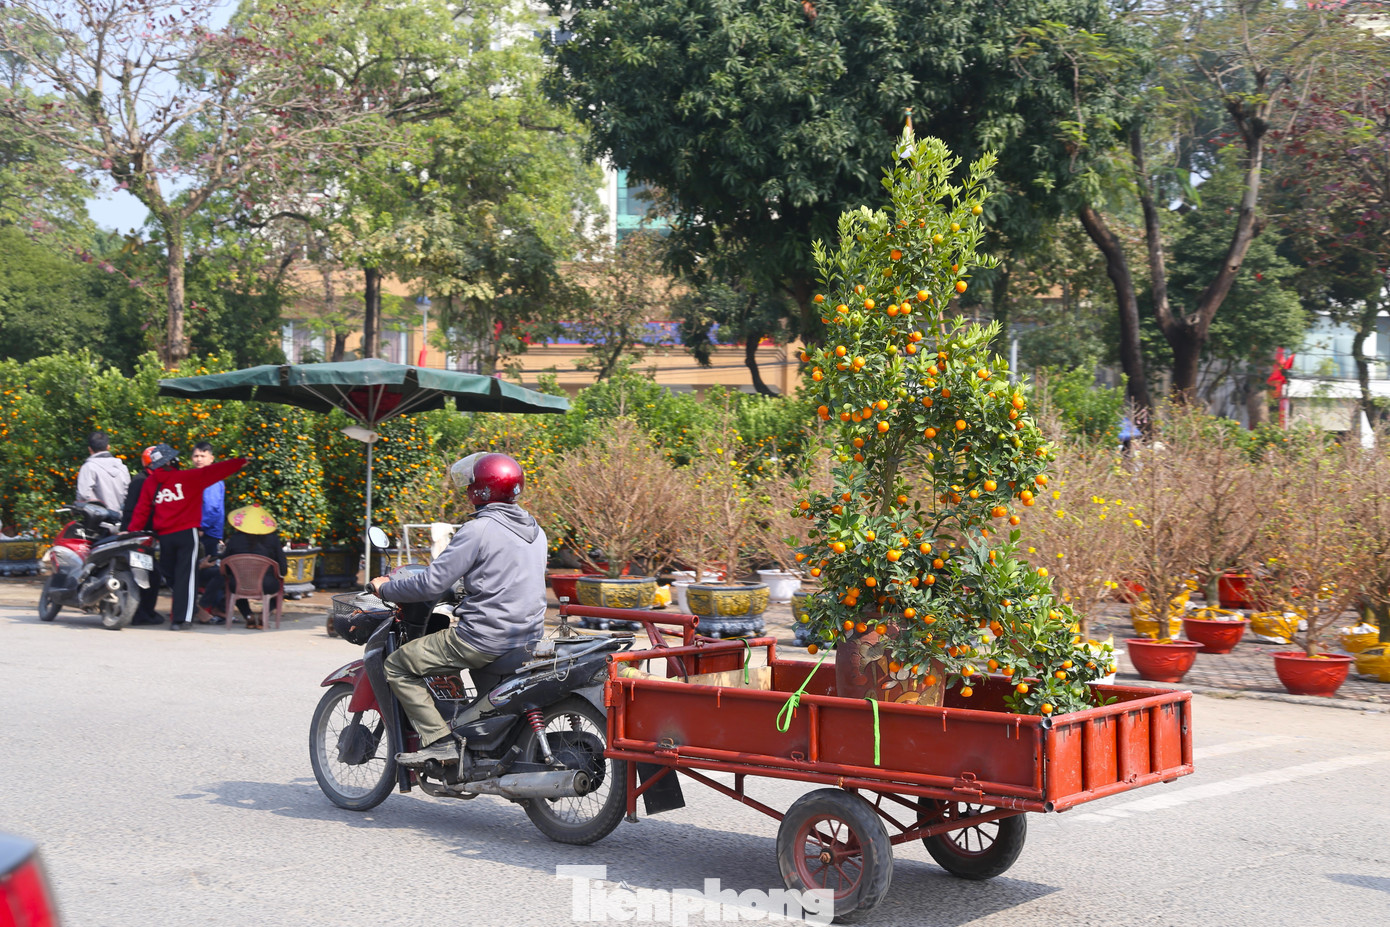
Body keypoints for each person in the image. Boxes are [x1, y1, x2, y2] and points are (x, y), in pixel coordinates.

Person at [367, 452, 546, 767]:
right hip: (527, 637)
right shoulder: (536, 531)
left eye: (471, 485)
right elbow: (506, 578)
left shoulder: (478, 530)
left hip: (483, 639)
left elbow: (430, 584)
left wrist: (386, 588)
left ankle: (439, 741)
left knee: (397, 665)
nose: (467, 491)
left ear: (483, 490)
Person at [128, 445, 246, 630]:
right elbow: (216, 470)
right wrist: (239, 462)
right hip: (186, 534)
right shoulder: (188, 477)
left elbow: (141, 511)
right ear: (172, 461)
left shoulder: (151, 482)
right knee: (186, 576)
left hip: (165, 536)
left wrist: (132, 531)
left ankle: (182, 616)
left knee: (173, 575)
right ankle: (182, 619)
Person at [200, 505, 287, 629]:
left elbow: (226, 565)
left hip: (238, 584)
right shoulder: (273, 539)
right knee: (281, 589)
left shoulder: (235, 539)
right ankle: (264, 614)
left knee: (233, 586)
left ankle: (248, 616)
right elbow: (283, 568)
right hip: (267, 585)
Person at [121, 446, 165, 626]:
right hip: (139, 535)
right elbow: (130, 509)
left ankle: (144, 611)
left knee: (152, 574)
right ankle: (141, 613)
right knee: (148, 574)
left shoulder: (156, 480)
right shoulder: (140, 481)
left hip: (150, 535)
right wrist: (127, 530)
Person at [75, 431, 130, 512]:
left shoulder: (89, 467)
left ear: (89, 449)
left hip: (97, 518)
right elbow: (128, 494)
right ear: (108, 447)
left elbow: (83, 495)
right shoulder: (122, 467)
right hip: (119, 518)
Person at [191, 441, 226, 557]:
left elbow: (212, 507)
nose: (199, 459)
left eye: (202, 456)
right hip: (203, 531)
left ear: (211, 458)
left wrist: (201, 527)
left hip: (207, 533)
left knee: (204, 568)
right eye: (196, 456)